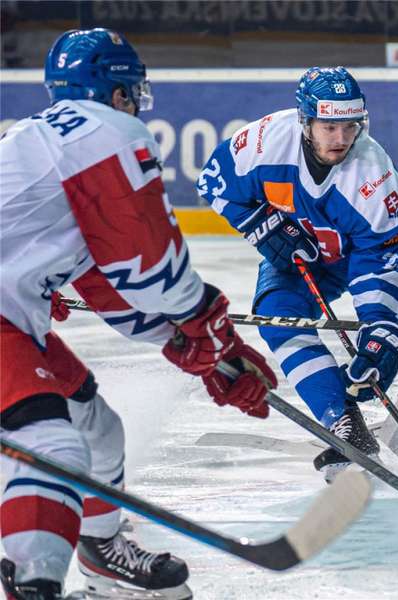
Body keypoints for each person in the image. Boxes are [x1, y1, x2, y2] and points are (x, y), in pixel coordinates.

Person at [0, 29, 277, 599]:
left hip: (12, 316)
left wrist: (189, 346)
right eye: (131, 90)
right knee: (55, 446)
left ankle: (101, 551)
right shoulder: (105, 131)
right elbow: (145, 257)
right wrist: (204, 320)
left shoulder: (43, 141)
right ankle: (34, 584)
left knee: (96, 430)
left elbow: (104, 281)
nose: (134, 101)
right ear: (118, 89)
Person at [196, 66, 398, 481]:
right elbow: (214, 181)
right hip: (303, 255)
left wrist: (378, 327)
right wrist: (261, 226)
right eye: (329, 126)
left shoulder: (373, 177)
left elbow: (381, 260)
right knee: (279, 318)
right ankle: (343, 420)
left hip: (368, 257)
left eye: (349, 126)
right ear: (305, 120)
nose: (340, 138)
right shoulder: (263, 143)